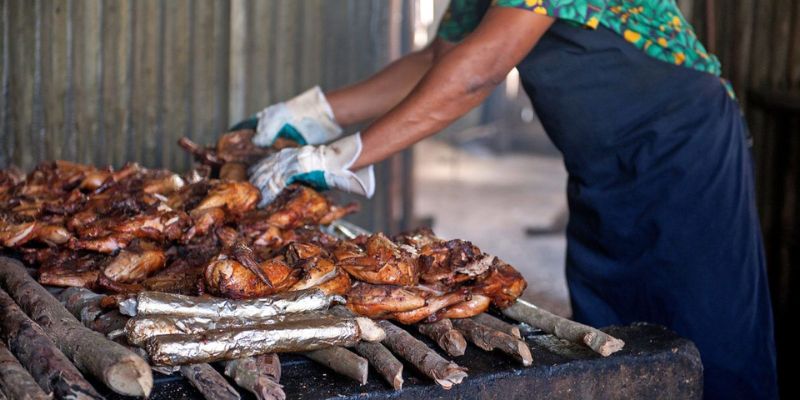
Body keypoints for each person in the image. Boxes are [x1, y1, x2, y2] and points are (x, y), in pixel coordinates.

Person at [238, 1, 778, 398]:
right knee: (616, 329)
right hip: (601, 164)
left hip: (685, 149)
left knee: (709, 330)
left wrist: (346, 156)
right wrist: (311, 113)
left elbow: (481, 71)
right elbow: (440, 59)